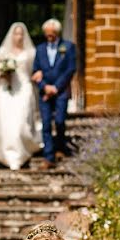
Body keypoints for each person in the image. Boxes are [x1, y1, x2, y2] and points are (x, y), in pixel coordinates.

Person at [0, 22, 42, 170]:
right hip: (6, 89)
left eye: (21, 33)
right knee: (6, 122)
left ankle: (21, 153)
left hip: (24, 88)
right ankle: (7, 155)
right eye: (16, 33)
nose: (19, 36)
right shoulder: (3, 52)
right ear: (12, 35)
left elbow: (34, 70)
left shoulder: (31, 52)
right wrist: (4, 73)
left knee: (21, 122)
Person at [31, 18, 77, 170]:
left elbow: (70, 69)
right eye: (47, 33)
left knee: (59, 120)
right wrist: (45, 87)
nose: (49, 36)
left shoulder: (68, 47)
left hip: (61, 91)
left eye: (52, 33)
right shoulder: (39, 49)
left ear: (57, 32)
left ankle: (60, 147)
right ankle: (49, 157)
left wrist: (56, 88)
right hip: (45, 93)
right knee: (45, 124)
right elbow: (36, 72)